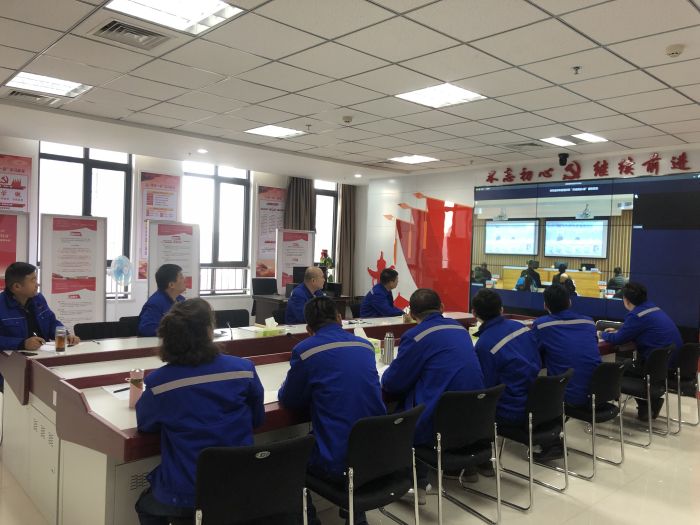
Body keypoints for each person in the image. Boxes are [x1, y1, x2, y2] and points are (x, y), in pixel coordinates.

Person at [135, 298, 264, 525]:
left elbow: (146, 425)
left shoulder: (160, 383)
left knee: (145, 505)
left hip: (186, 495)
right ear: (208, 332)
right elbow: (257, 418)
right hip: (239, 485)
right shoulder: (243, 370)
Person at [278, 296, 385, 525]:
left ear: (308, 329)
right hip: (379, 453)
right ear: (339, 318)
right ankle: (356, 516)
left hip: (338, 461)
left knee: (288, 458)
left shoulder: (305, 351)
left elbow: (289, 399)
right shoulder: (365, 346)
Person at [382, 288, 484, 499]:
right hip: (474, 419)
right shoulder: (460, 329)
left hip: (438, 424)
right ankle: (466, 467)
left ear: (412, 314)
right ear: (442, 307)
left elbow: (392, 383)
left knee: (399, 412)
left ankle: (416, 483)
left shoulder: (416, 336)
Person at [599, 282, 683, 420]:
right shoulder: (653, 309)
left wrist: (601, 334)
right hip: (670, 365)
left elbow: (617, 339)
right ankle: (649, 406)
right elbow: (641, 329)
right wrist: (623, 331)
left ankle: (644, 405)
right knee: (630, 366)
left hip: (654, 369)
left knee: (613, 369)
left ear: (626, 300)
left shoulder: (637, 315)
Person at [471, 289, 542, 449]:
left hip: (510, 411)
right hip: (537, 401)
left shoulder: (484, 345)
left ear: (474, 313)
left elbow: (486, 387)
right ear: (501, 309)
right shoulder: (522, 328)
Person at [533, 284, 601, 407]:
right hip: (599, 394)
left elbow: (533, 351)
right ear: (569, 302)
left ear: (545, 305)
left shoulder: (541, 325)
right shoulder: (589, 322)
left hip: (566, 396)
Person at [0, 262, 79, 351]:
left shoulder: (38, 299)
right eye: (33, 280)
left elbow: (51, 322)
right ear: (17, 286)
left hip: (42, 353)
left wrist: (65, 335)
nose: (37, 284)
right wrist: (22, 343)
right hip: (14, 357)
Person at [138, 264, 186, 336]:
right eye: (181, 277)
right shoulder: (155, 303)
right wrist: (176, 329)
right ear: (171, 285)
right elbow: (146, 328)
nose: (184, 279)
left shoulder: (181, 299)